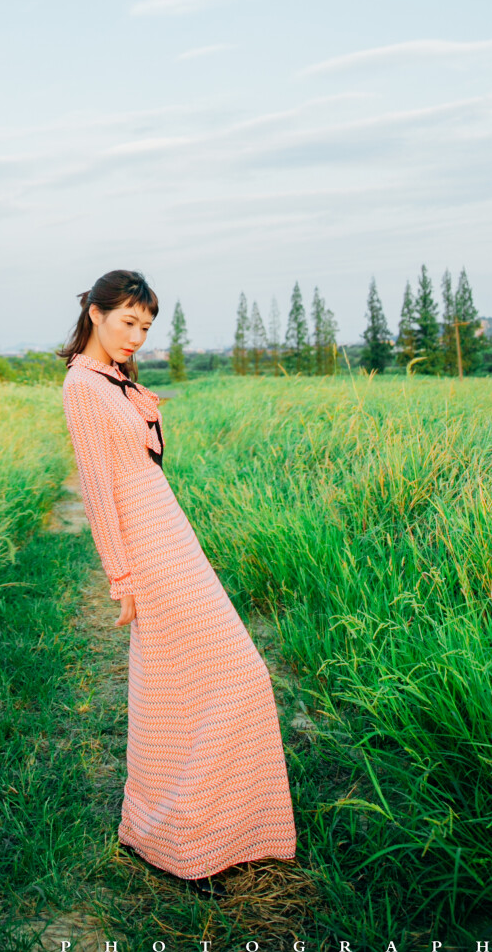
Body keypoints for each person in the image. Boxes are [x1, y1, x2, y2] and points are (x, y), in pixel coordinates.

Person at [59, 268, 297, 883]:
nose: (137, 337)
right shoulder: (83, 387)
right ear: (96, 314)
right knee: (238, 673)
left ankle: (201, 830)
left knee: (184, 684)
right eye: (127, 322)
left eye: (146, 326)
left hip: (170, 531)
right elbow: (97, 489)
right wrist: (122, 578)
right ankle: (186, 832)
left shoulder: (113, 379)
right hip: (147, 548)